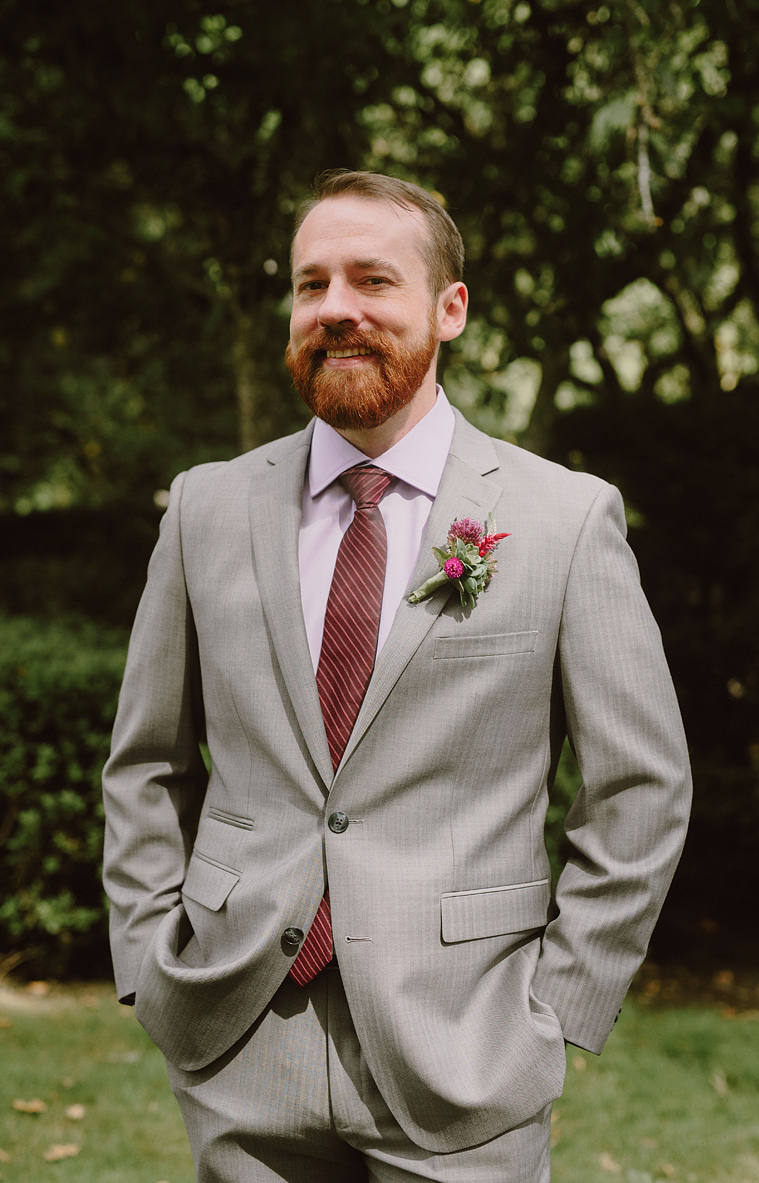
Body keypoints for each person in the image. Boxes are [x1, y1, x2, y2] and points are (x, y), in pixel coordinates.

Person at [101, 170, 692, 1182]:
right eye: (310, 284)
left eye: (372, 279)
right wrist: (154, 966)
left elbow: (639, 785)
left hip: (467, 1048)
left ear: (448, 308)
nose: (335, 308)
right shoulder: (205, 509)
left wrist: (556, 1012)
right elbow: (144, 764)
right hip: (241, 1040)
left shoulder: (562, 518)